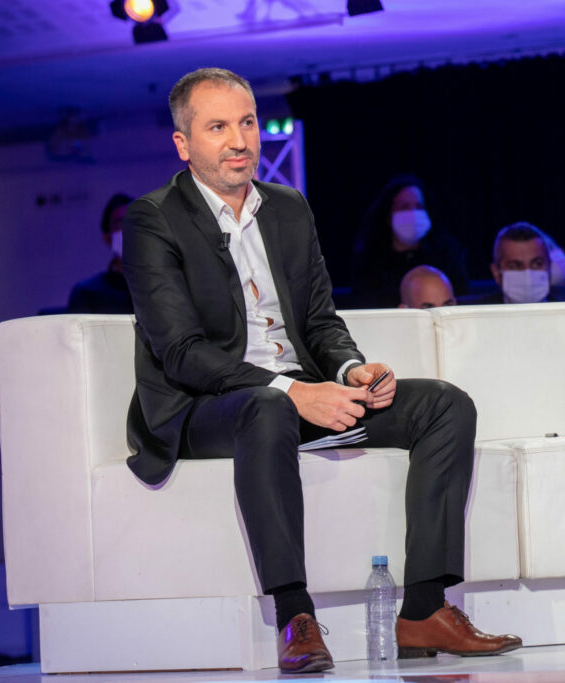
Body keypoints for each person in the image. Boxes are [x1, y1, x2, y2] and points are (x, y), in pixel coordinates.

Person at [122, 68, 520, 674]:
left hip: (299, 396)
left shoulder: (286, 207)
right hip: (205, 410)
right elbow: (182, 352)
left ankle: (423, 609)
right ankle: (295, 617)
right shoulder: (154, 219)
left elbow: (319, 319)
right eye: (218, 127)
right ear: (184, 144)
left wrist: (352, 369)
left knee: (445, 403)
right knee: (267, 406)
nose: (239, 140)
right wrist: (292, 390)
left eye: (248, 123)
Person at [351, 175, 468, 308]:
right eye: (404, 207)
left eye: (419, 206)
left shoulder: (447, 254)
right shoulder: (369, 260)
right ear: (388, 214)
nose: (412, 213)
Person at [460, 222, 565, 305]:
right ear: (496, 272)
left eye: (537, 264)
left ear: (549, 267)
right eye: (515, 266)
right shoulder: (475, 318)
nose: (527, 273)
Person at [67, 193, 135, 313]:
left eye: (133, 223)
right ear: (107, 238)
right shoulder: (87, 293)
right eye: (120, 224)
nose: (127, 230)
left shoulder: (160, 285)